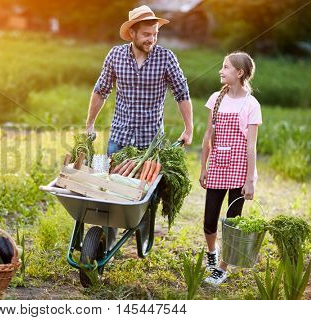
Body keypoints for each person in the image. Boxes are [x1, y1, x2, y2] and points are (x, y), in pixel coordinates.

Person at [85, 5, 193, 248]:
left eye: (155, 34)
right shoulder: (115, 55)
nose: (152, 39)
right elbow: (101, 91)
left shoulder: (166, 58)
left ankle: (143, 229)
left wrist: (189, 129)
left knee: (147, 194)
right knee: (110, 189)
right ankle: (107, 240)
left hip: (150, 140)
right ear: (132, 33)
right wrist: (89, 124)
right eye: (147, 34)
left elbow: (182, 93)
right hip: (120, 136)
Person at [199, 52, 262, 285]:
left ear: (240, 73)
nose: (221, 70)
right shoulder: (216, 98)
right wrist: (203, 167)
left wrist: (250, 180)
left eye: (226, 67)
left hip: (239, 170)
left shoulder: (251, 104)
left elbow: (251, 146)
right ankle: (212, 253)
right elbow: (208, 136)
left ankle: (222, 268)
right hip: (216, 166)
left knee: (232, 221)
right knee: (209, 220)